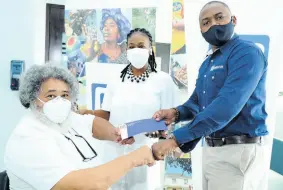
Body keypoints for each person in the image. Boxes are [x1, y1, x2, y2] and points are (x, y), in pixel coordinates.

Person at [152, 1, 269, 190]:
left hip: (238, 152)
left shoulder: (247, 53)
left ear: (233, 20)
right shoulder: (207, 63)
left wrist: (175, 140)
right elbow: (197, 103)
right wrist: (176, 113)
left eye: (219, 17)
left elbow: (225, 107)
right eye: (206, 22)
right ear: (201, 29)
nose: (213, 24)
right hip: (211, 151)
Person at [4, 65, 155, 190]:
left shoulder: (64, 119)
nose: (59, 101)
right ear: (33, 98)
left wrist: (114, 133)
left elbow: (92, 123)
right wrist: (133, 159)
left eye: (65, 95)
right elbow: (81, 185)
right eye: (50, 96)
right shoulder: (27, 137)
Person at [80, 28, 178, 190]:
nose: (136, 50)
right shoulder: (115, 79)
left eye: (141, 45)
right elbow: (106, 114)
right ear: (126, 50)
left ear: (150, 49)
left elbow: (169, 120)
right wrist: (87, 113)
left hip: (147, 152)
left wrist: (132, 130)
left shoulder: (163, 80)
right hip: (114, 150)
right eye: (131, 46)